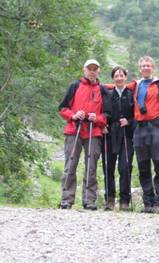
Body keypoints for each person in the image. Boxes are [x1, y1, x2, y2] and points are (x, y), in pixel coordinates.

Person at [127, 56, 159, 213]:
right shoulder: (135, 85)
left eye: (148, 65)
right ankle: (148, 203)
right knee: (143, 167)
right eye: (143, 65)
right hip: (140, 129)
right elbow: (117, 86)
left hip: (156, 128)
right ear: (139, 68)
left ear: (153, 67)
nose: (145, 68)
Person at [58, 59, 110, 210]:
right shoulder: (74, 86)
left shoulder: (103, 89)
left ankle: (89, 200)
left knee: (91, 167)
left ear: (98, 71)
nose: (92, 71)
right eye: (89, 68)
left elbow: (108, 114)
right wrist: (73, 115)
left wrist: (98, 118)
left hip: (94, 131)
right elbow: (62, 108)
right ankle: (66, 199)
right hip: (74, 130)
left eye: (95, 68)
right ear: (84, 70)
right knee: (70, 164)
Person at [102, 66, 134, 211]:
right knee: (108, 166)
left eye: (121, 75)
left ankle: (124, 201)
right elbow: (102, 112)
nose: (119, 78)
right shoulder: (108, 94)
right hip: (109, 133)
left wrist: (129, 121)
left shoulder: (132, 94)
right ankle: (109, 199)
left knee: (125, 166)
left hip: (126, 134)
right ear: (113, 78)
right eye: (116, 75)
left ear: (125, 77)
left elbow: (137, 115)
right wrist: (103, 124)